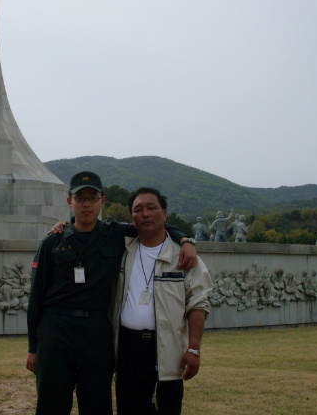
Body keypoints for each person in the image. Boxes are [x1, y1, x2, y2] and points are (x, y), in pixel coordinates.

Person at [26, 171, 197, 415]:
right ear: (69, 202)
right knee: (51, 405)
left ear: (102, 201)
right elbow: (36, 298)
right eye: (80, 198)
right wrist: (34, 347)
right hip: (56, 330)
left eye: (92, 198)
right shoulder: (52, 242)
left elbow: (155, 223)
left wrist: (185, 239)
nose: (86, 204)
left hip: (96, 332)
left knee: (97, 404)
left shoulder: (116, 235)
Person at [113, 187, 213, 414]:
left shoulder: (184, 255)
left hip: (166, 351)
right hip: (127, 351)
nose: (145, 214)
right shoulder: (122, 249)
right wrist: (61, 226)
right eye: (138, 210)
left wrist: (194, 349)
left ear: (165, 214)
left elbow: (198, 303)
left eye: (151, 208)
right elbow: (88, 228)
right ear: (132, 218)